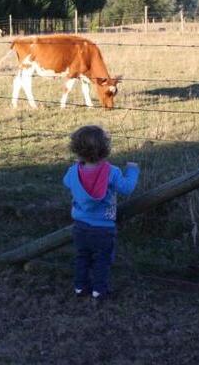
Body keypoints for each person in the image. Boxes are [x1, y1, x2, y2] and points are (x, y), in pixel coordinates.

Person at [63, 125, 139, 301]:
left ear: (76, 149)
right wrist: (132, 170)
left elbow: (67, 182)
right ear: (105, 149)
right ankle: (99, 290)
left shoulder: (73, 171)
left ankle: (80, 287)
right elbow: (127, 188)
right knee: (102, 260)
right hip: (104, 228)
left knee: (82, 257)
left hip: (80, 226)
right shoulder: (112, 172)